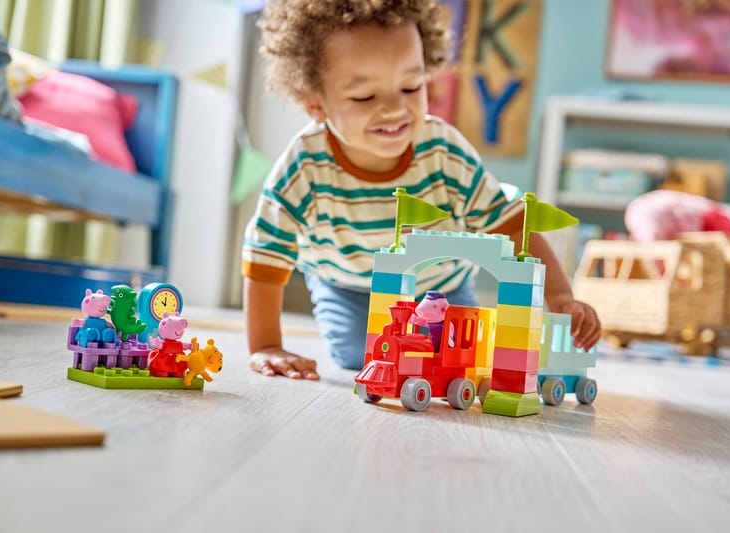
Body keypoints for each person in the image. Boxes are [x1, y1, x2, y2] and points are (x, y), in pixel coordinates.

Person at [242, 0, 601, 380]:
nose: (396, 108)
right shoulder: (304, 166)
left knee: (456, 358)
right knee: (356, 356)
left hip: (439, 285)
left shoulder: (443, 152)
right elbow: (267, 253)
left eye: (411, 86)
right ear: (316, 104)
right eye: (365, 96)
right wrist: (266, 346)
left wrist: (560, 295)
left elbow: (510, 223)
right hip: (346, 284)